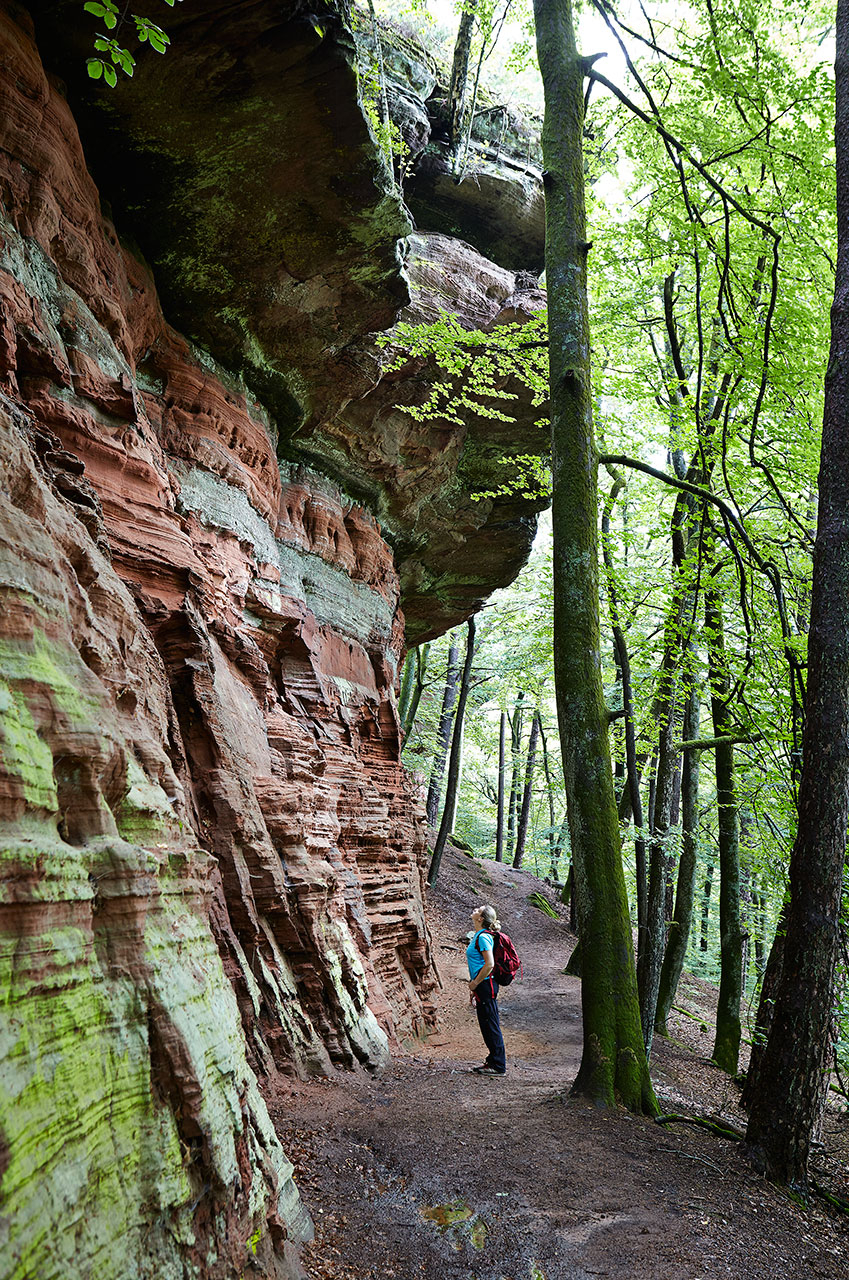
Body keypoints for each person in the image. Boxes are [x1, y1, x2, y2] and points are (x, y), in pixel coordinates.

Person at [466, 904, 507, 1075]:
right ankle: (492, 1061)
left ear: (480, 919)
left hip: (486, 983)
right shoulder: (479, 935)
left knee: (491, 1023)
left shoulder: (483, 937)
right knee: (486, 1023)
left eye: (478, 910)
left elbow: (489, 964)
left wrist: (475, 983)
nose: (475, 910)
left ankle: (498, 1065)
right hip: (483, 984)